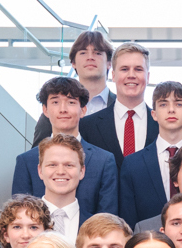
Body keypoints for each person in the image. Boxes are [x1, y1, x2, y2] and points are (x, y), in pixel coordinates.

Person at [11, 77, 119, 235]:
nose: (63, 109)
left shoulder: (104, 160)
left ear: (83, 110)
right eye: (55, 102)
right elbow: (19, 215)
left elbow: (108, 218)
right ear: (45, 110)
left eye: (71, 102)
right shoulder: (27, 160)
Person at [119, 81, 182, 226]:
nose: (171, 110)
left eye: (179, 104)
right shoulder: (133, 164)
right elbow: (128, 219)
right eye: (163, 104)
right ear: (153, 114)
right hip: (149, 243)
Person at [33, 29, 112, 143]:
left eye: (98, 53)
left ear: (109, 63)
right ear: (73, 63)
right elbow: (37, 154)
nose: (90, 57)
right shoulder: (55, 110)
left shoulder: (120, 107)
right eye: (83, 52)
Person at [81, 42, 158, 159]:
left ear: (148, 77)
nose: (131, 75)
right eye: (124, 69)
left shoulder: (162, 124)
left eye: (138, 69)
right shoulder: (87, 126)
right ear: (113, 76)